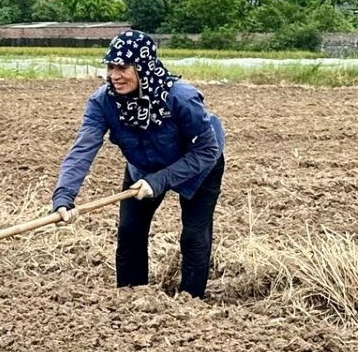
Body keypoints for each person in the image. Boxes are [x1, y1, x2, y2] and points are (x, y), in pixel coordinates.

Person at [50, 30, 226, 298]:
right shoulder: (103, 102)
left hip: (198, 165)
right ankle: (131, 297)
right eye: (110, 67)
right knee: (130, 232)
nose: (114, 75)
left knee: (193, 235)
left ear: (143, 67)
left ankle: (192, 300)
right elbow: (82, 149)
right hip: (142, 168)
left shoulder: (180, 98)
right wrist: (64, 197)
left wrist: (159, 181)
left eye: (123, 67)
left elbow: (207, 149)